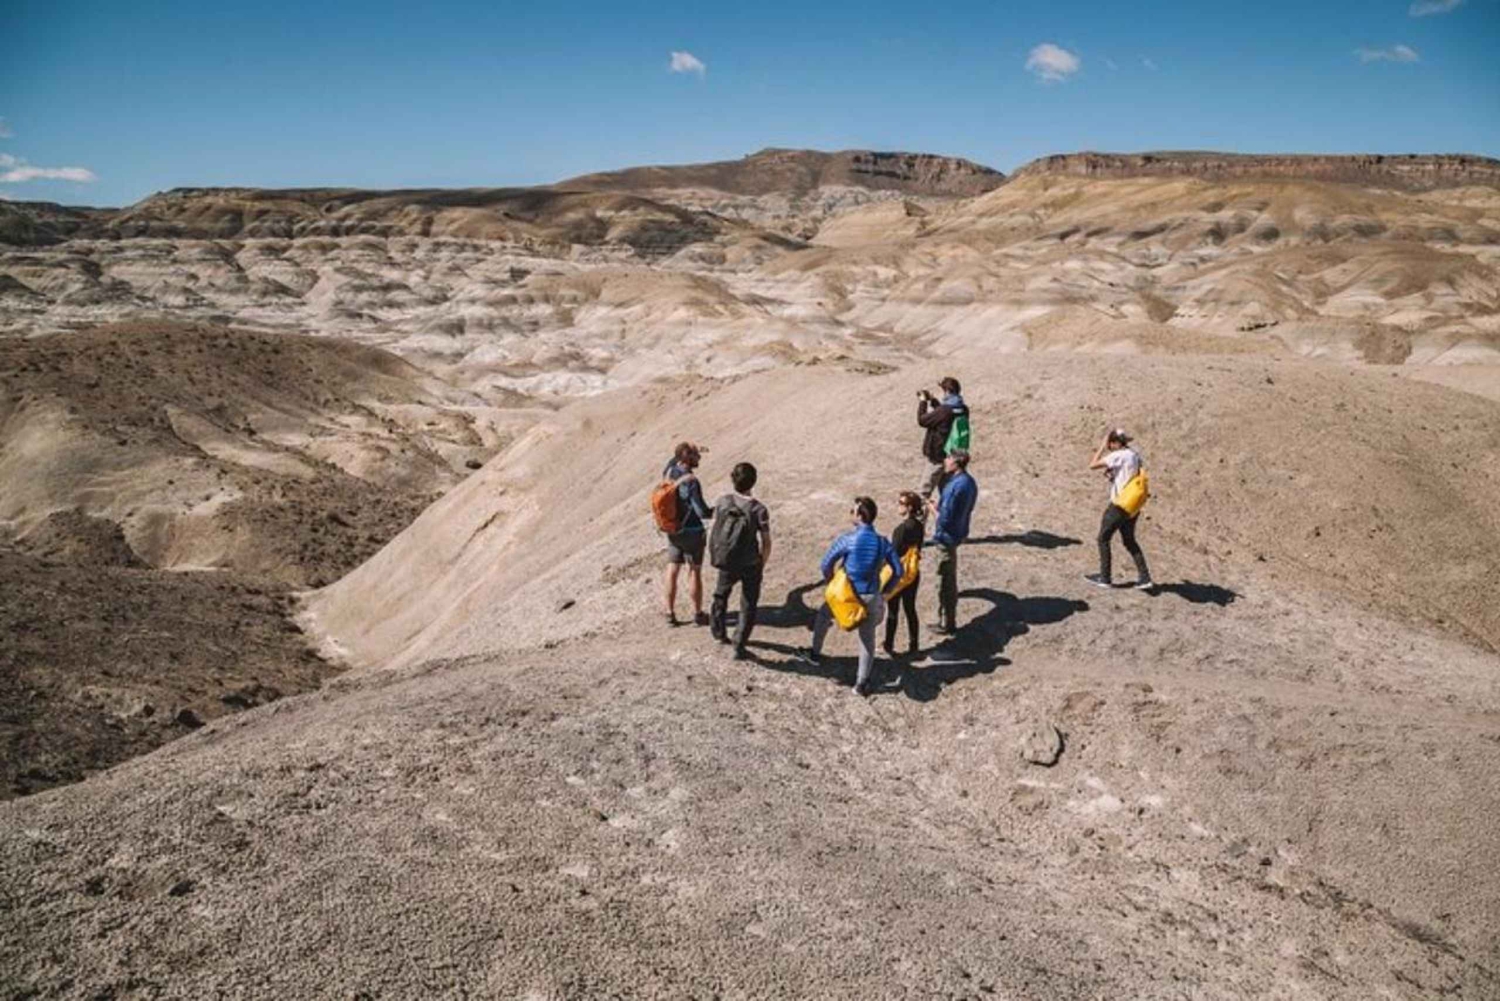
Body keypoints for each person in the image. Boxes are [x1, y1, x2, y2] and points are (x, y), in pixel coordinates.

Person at [806, 496, 903, 697]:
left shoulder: (847, 539)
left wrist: (831, 581)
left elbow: (826, 564)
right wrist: (886, 591)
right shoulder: (882, 542)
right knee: (867, 640)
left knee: (824, 616)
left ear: (859, 516)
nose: (851, 513)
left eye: (853, 511)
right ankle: (861, 683)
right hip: (870, 594)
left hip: (846, 595)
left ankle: (814, 653)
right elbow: (899, 571)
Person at [708, 462, 772, 660]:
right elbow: (766, 541)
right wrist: (762, 561)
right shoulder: (758, 509)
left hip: (727, 558)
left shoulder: (722, 502)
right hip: (750, 561)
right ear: (753, 482)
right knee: (748, 603)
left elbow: (714, 528)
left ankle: (718, 632)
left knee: (721, 595)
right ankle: (739, 645)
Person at [1086, 429, 1153, 590]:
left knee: (1103, 538)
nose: (1110, 446)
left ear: (1115, 442)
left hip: (1119, 504)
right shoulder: (1134, 455)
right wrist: (1113, 477)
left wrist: (1101, 447)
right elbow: (1127, 476)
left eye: (1110, 444)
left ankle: (1105, 577)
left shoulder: (1118, 455)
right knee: (1129, 541)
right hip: (1133, 506)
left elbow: (1092, 465)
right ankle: (1145, 578)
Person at [662, 442, 713, 626]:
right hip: (692, 530)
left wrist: (693, 447)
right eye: (696, 456)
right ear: (688, 458)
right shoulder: (691, 481)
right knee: (694, 570)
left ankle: (669, 613)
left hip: (673, 529)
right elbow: (701, 511)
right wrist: (715, 511)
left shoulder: (669, 470)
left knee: (673, 568)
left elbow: (675, 456)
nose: (699, 458)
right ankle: (698, 614)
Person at [928, 449, 978, 635]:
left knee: (944, 581)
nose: (945, 461)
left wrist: (933, 509)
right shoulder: (970, 482)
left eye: (948, 458)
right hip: (959, 532)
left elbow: (944, 520)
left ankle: (946, 622)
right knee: (949, 577)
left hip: (947, 537)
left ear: (956, 463)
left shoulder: (954, 486)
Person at [883, 491, 925, 657]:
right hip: (912, 573)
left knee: (893, 610)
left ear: (909, 507)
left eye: (901, 503)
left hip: (899, 575)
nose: (898, 505)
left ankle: (889, 644)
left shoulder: (901, 529)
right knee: (910, 609)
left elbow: (893, 554)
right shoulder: (918, 526)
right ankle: (914, 645)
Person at [917, 376, 969, 498]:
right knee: (947, 492)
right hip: (952, 457)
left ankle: (918, 516)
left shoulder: (945, 411)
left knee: (924, 492)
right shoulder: (963, 409)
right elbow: (944, 415)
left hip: (937, 457)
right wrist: (934, 401)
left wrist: (923, 401)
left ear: (946, 391)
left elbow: (922, 420)